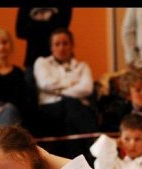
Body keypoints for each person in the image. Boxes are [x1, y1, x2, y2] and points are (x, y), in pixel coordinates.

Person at [33, 27, 98, 160]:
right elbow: (45, 83)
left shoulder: (82, 66)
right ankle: (95, 146)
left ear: (72, 46)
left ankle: (75, 164)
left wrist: (59, 91)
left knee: (71, 113)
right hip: (50, 109)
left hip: (74, 109)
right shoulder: (42, 63)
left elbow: (87, 88)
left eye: (65, 43)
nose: (61, 48)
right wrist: (72, 84)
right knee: (71, 104)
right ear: (51, 47)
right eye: (57, 44)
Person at [15, 7, 72, 92]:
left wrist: (33, 24)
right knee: (30, 99)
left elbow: (61, 30)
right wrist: (50, 25)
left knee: (61, 97)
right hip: (32, 62)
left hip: (59, 63)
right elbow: (20, 31)